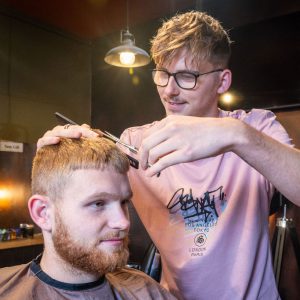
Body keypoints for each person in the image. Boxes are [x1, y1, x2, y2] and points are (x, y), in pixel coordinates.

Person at [36, 11, 300, 300]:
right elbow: (82, 199)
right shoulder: (136, 142)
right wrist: (61, 154)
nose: (170, 90)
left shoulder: (255, 127)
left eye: (187, 76)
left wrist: (235, 136)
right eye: (163, 74)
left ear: (222, 81)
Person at [0, 138, 176, 299]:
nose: (123, 222)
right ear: (43, 213)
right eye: (98, 203)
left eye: (124, 202)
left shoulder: (146, 291)